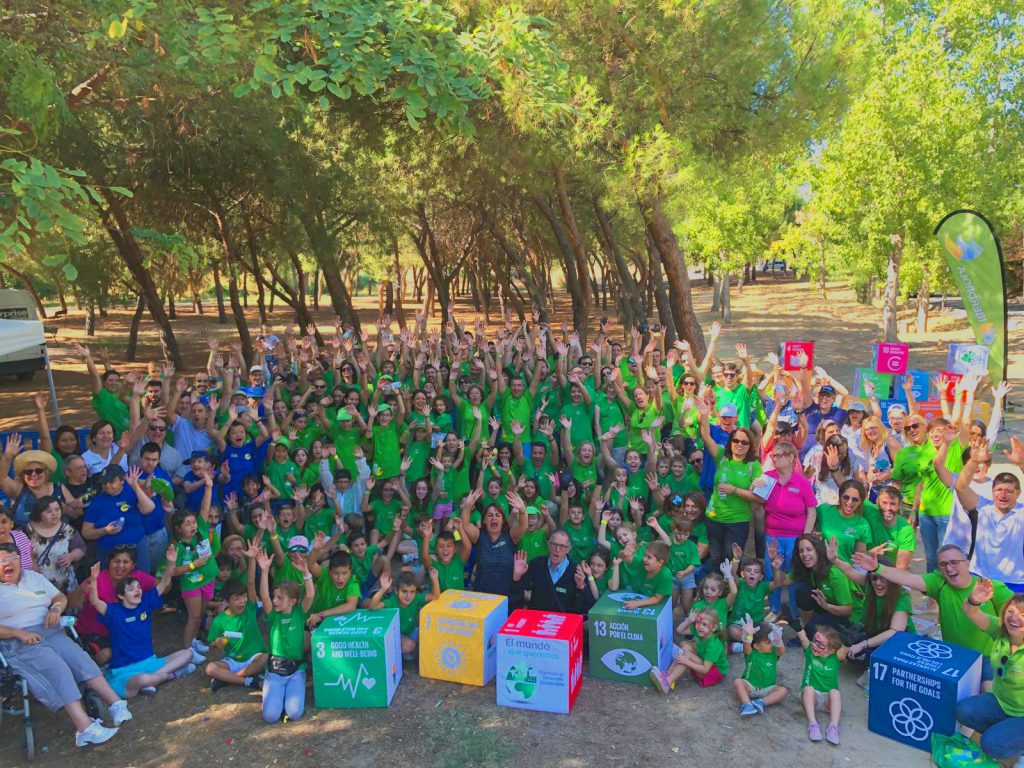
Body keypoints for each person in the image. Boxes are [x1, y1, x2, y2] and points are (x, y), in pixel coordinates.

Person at [0, 543, 131, 747]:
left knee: (78, 657)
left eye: (11, 559)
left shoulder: (33, 577)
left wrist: (56, 607)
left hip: (49, 629)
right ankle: (84, 729)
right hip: (16, 640)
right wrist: (17, 632)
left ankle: (116, 704)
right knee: (55, 665)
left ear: (19, 560)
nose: (6, 564)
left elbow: (59, 597)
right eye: (1, 561)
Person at [853, 545, 1014, 668]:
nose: (949, 568)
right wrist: (877, 568)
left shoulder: (991, 588)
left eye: (954, 562)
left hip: (989, 658)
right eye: (943, 564)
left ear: (967, 563)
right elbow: (907, 578)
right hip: (954, 656)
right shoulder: (939, 582)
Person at [87, 558, 198, 698]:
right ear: (121, 595)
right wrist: (94, 579)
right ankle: (169, 675)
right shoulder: (114, 612)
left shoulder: (144, 603)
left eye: (138, 587)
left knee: (188, 654)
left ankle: (155, 679)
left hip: (151, 663)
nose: (137, 590)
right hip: (125, 670)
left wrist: (171, 562)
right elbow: (95, 602)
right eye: (131, 589)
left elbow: (164, 583)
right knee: (142, 679)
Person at [956, 580, 1024, 767]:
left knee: (990, 744)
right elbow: (971, 611)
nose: (1014, 618)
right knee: (963, 711)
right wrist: (974, 599)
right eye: (1011, 612)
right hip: (1001, 702)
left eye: (1023, 614)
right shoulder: (1000, 631)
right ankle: (1008, 736)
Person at [952, 443, 1024, 591]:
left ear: (1018, 493)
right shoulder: (982, 508)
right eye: (998, 490)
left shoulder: (1021, 512)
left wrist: (1022, 463)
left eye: (1009, 491)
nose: (1002, 495)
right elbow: (960, 487)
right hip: (980, 578)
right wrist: (973, 461)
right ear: (992, 491)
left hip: (1015, 581)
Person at [255, 546, 314, 724]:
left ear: (293, 601)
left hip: (296, 670)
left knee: (294, 713)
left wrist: (306, 573)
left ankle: (286, 695)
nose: (275, 600)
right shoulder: (274, 615)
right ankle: (269, 688)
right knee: (270, 717)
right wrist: (264, 571)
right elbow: (264, 597)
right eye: (275, 596)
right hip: (275, 670)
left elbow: (310, 594)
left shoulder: (298, 613)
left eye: (280, 598)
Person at [761, 440, 817, 619]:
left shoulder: (801, 482)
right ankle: (775, 609)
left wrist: (806, 538)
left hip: (795, 538)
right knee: (772, 574)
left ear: (791, 457)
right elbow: (755, 501)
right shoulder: (767, 478)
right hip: (773, 536)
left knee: (794, 576)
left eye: (779, 455)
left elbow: (811, 511)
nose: (775, 459)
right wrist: (753, 486)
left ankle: (794, 612)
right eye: (773, 455)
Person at [82, 464, 157, 573]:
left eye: (111, 481)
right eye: (104, 482)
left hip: (136, 548)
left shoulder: (131, 492)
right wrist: (104, 531)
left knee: (141, 582)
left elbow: (149, 509)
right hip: (109, 552)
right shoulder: (97, 501)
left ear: (122, 480)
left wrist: (135, 486)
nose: (107, 485)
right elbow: (86, 532)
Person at [205, 576, 268, 693]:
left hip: (254, 658)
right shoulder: (219, 621)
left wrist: (253, 560)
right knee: (210, 668)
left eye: (244, 596)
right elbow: (212, 649)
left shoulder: (250, 608)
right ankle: (248, 681)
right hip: (232, 660)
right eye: (236, 599)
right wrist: (216, 644)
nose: (242, 601)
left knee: (268, 658)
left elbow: (251, 581)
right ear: (226, 602)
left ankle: (227, 679)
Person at [367, 568, 441, 659]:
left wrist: (434, 579)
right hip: (398, 634)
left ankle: (412, 650)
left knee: (430, 633)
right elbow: (372, 606)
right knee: (408, 648)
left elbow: (435, 596)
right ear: (396, 591)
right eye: (404, 591)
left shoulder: (416, 598)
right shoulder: (392, 601)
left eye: (412, 592)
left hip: (412, 631)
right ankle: (397, 653)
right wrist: (382, 589)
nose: (408, 596)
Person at [651, 607, 729, 692]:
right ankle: (668, 675)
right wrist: (689, 621)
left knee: (686, 656)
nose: (699, 626)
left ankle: (667, 682)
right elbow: (679, 630)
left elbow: (705, 670)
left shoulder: (714, 645)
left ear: (714, 628)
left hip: (714, 673)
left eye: (704, 624)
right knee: (684, 646)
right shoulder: (700, 631)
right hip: (705, 661)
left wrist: (686, 661)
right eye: (698, 622)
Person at [0, 438, 71, 526]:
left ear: (46, 473)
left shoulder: (58, 488)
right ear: (23, 475)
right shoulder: (19, 489)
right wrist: (8, 455)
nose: (33, 475)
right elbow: (2, 479)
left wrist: (67, 509)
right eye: (28, 472)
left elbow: (78, 512)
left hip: (59, 537)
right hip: (25, 538)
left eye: (38, 471)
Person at [797, 624, 848, 745]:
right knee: (809, 689)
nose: (815, 646)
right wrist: (795, 624)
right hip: (810, 698)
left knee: (835, 693)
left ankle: (833, 727)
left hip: (827, 701)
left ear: (830, 650)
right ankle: (813, 724)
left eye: (820, 645)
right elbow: (803, 638)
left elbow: (844, 650)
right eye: (815, 641)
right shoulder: (810, 651)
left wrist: (848, 643)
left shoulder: (835, 657)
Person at [26, 495, 86, 593]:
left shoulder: (67, 529)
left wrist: (71, 556)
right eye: (49, 512)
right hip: (37, 583)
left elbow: (81, 548)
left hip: (65, 583)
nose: (55, 514)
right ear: (39, 513)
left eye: (57, 510)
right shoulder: (26, 531)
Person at [732, 617, 788, 716]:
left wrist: (778, 639)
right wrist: (748, 635)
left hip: (769, 688)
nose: (772, 644)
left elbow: (782, 651)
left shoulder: (774, 652)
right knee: (738, 682)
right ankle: (747, 705)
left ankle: (760, 702)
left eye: (772, 641)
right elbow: (747, 646)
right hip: (750, 686)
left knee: (783, 691)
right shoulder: (751, 653)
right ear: (757, 646)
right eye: (768, 642)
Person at [0, 505, 34, 572]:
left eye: (4, 522)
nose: (0, 527)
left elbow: (33, 562)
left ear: (12, 523)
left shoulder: (21, 537)